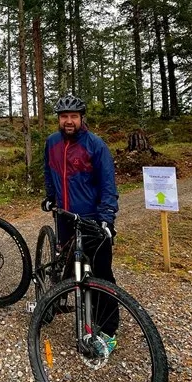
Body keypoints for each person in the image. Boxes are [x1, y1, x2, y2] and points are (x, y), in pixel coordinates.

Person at [42, 94, 120, 343]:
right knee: (65, 264)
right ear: (58, 119)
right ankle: (56, 300)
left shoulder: (95, 145)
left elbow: (108, 184)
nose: (68, 121)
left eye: (73, 116)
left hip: (92, 219)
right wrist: (50, 196)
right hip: (64, 216)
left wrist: (107, 218)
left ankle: (106, 329)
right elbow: (49, 170)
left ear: (81, 118)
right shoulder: (52, 142)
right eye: (64, 116)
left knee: (101, 272)